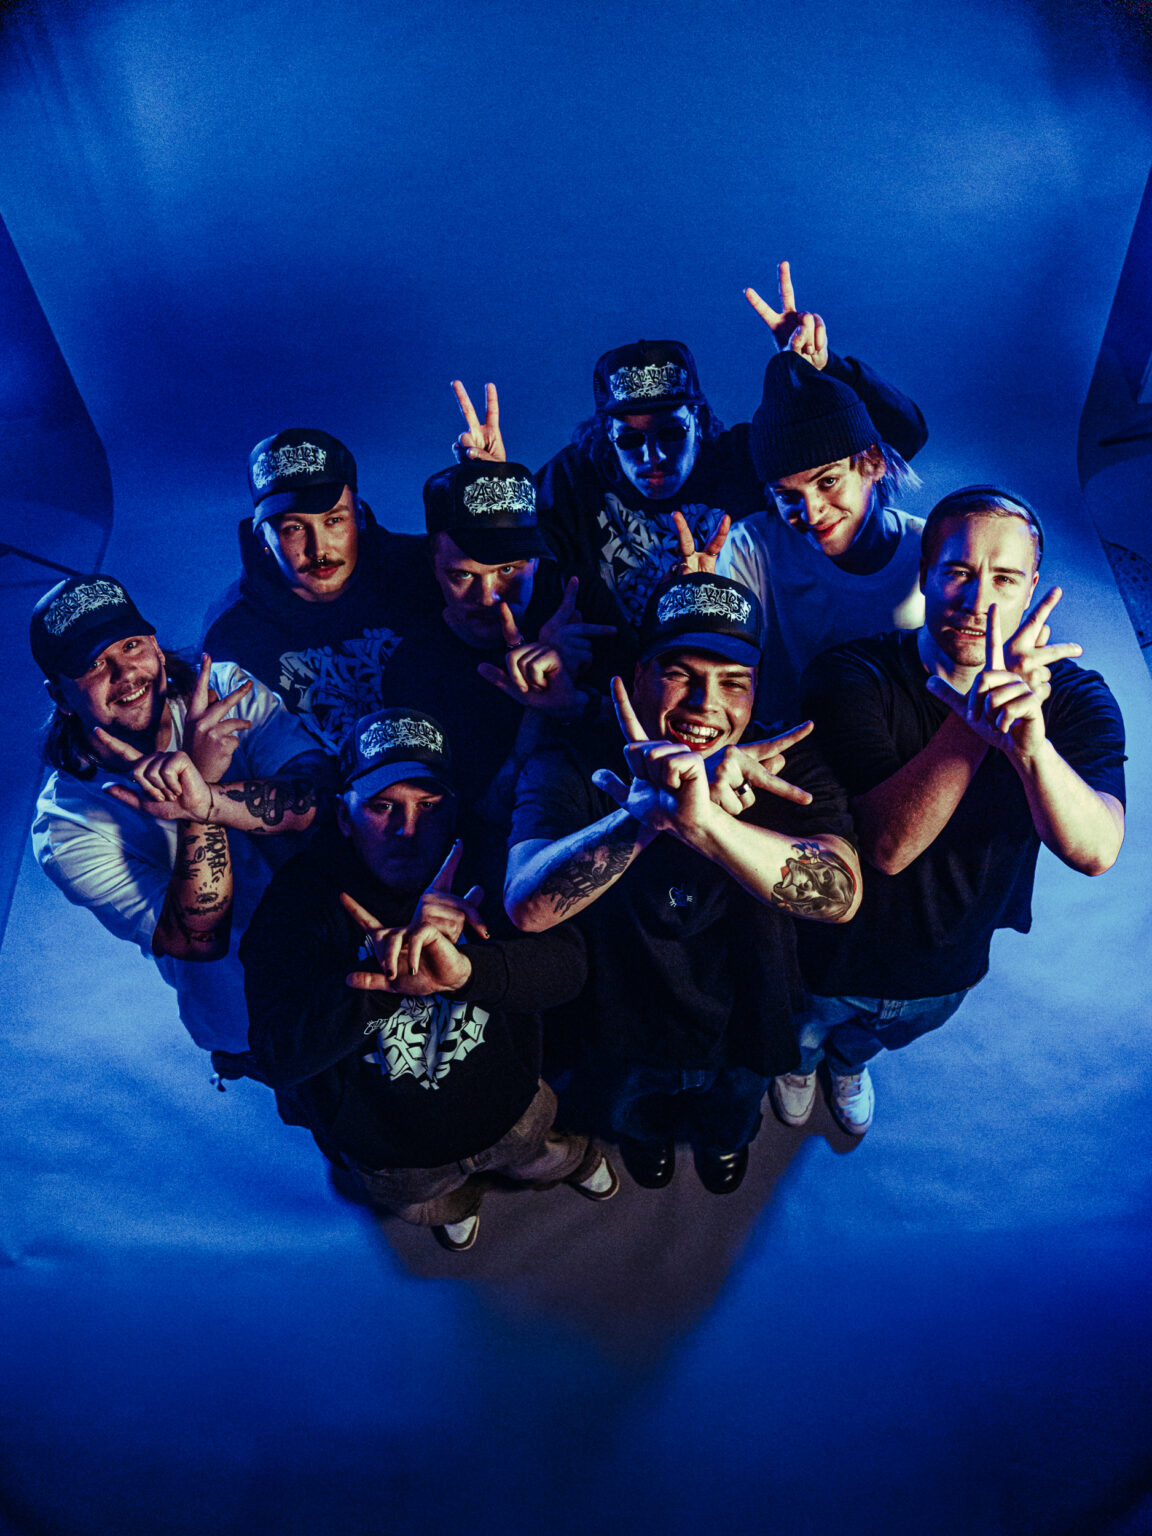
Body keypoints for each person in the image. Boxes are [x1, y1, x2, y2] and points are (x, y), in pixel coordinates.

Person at [771, 487, 1126, 1137]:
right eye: (958, 571)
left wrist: (1032, 747)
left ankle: (847, 1064)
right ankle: (799, 1067)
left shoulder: (1078, 700)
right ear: (926, 574)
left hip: (950, 961)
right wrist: (977, 721)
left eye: (1005, 578)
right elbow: (888, 848)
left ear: (1031, 588)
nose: (977, 599)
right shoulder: (850, 675)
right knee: (801, 1034)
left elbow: (1097, 850)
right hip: (830, 951)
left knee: (871, 1039)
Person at [504, 572, 861, 1194]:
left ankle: (722, 1148)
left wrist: (706, 822)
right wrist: (645, 815)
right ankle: (648, 1145)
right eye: (680, 674)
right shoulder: (570, 759)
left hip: (747, 1023)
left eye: (733, 682)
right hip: (623, 1027)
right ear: (640, 674)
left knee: (731, 1122)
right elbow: (526, 907)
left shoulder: (788, 759)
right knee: (635, 1121)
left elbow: (840, 895)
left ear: (756, 690)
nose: (704, 704)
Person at [239, 708, 617, 1252]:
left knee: (544, 1152)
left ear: (454, 807)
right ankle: (456, 1208)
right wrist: (381, 985)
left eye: (430, 806)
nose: (407, 831)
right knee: (433, 1204)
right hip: (394, 1154)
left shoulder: (491, 860)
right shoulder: (299, 902)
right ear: (343, 816)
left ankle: (572, 1163)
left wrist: (466, 972)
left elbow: (570, 970)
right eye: (382, 807)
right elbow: (277, 1056)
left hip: (511, 1107)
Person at [454, 263, 928, 660]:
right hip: (610, 681)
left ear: (699, 423)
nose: (653, 457)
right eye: (630, 440)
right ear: (605, 436)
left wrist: (822, 371)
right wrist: (491, 485)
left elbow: (896, 439)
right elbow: (510, 557)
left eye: (671, 433)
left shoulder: (744, 456)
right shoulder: (575, 476)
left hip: (720, 677)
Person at [31, 574, 328, 1055]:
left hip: (348, 962)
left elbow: (318, 798)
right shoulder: (67, 826)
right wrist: (198, 809)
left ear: (154, 645)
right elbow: (198, 938)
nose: (125, 673)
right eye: (94, 664)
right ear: (61, 697)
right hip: (256, 1021)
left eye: (131, 645)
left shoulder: (224, 689)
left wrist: (207, 797)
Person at [372, 458, 615, 865]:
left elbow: (658, 739)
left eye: (508, 569)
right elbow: (482, 821)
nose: (488, 597)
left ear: (536, 560)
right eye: (463, 576)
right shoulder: (415, 670)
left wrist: (575, 702)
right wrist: (539, 708)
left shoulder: (579, 603)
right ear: (433, 564)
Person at [716, 350, 925, 719]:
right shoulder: (752, 548)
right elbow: (721, 675)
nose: (811, 513)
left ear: (874, 462)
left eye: (828, 481)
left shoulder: (932, 548)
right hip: (783, 747)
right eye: (787, 496)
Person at [204, 428, 428, 751]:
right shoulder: (232, 633)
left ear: (359, 516)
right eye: (294, 528)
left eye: (334, 521)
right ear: (262, 538)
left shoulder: (423, 571)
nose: (319, 549)